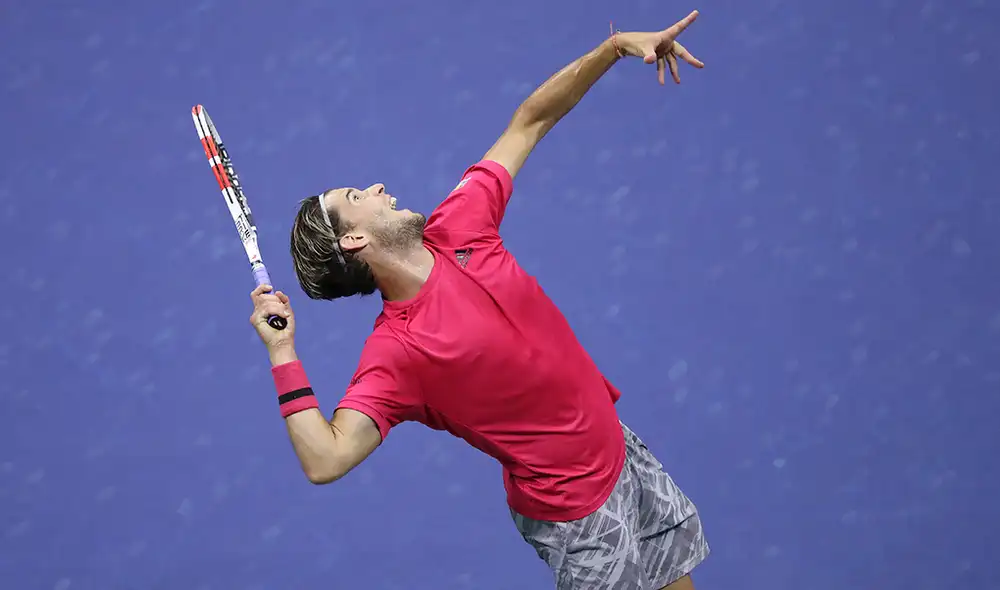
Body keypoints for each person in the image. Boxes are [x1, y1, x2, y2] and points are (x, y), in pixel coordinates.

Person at [249, 10, 708, 589]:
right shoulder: (398, 353)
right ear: (354, 239)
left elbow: (529, 123)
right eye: (357, 195)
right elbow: (326, 458)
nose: (378, 188)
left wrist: (614, 47)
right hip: (577, 515)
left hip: (618, 449)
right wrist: (282, 350)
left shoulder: (461, 223)